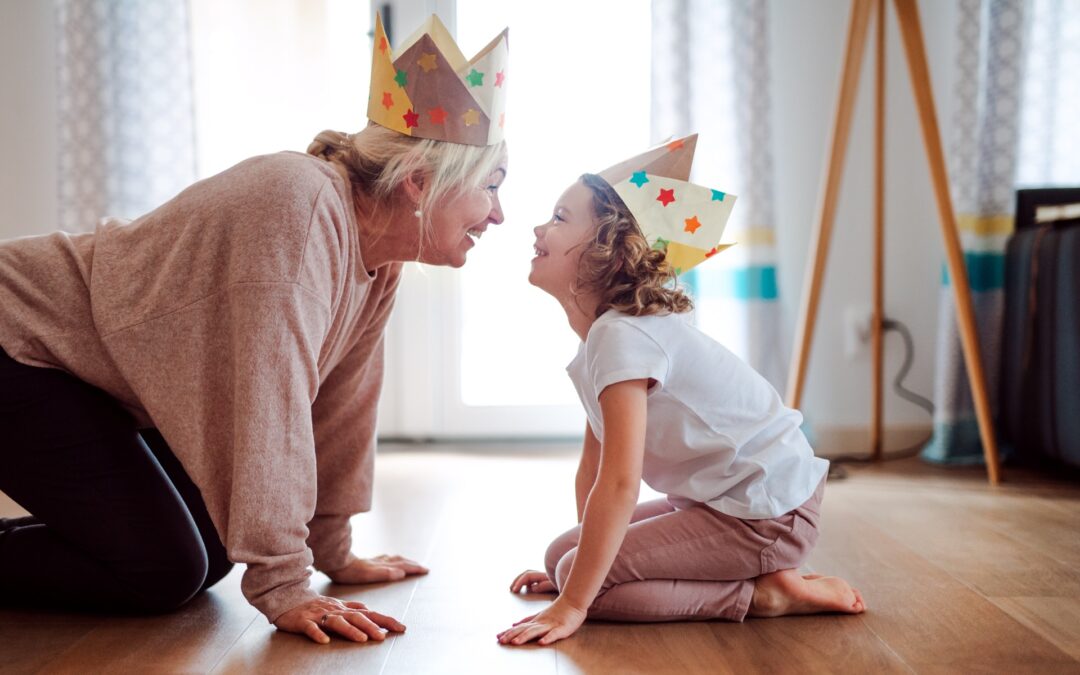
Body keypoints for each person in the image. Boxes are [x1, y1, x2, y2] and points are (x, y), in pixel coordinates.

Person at [0, 14, 508, 645]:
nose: (501, 215)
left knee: (214, 543)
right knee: (165, 569)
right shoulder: (299, 207)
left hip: (90, 374)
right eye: (492, 188)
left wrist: (331, 550)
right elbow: (271, 400)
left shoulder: (378, 260)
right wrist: (283, 585)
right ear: (420, 183)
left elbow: (342, 402)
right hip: (18, 341)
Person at [497, 136, 864, 647]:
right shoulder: (604, 339)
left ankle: (763, 595)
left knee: (589, 588)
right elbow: (595, 469)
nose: (539, 227)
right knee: (563, 554)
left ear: (607, 251)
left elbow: (621, 484)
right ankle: (765, 576)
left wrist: (576, 596)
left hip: (768, 514)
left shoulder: (621, 337)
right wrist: (582, 564)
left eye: (560, 218)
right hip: (731, 503)